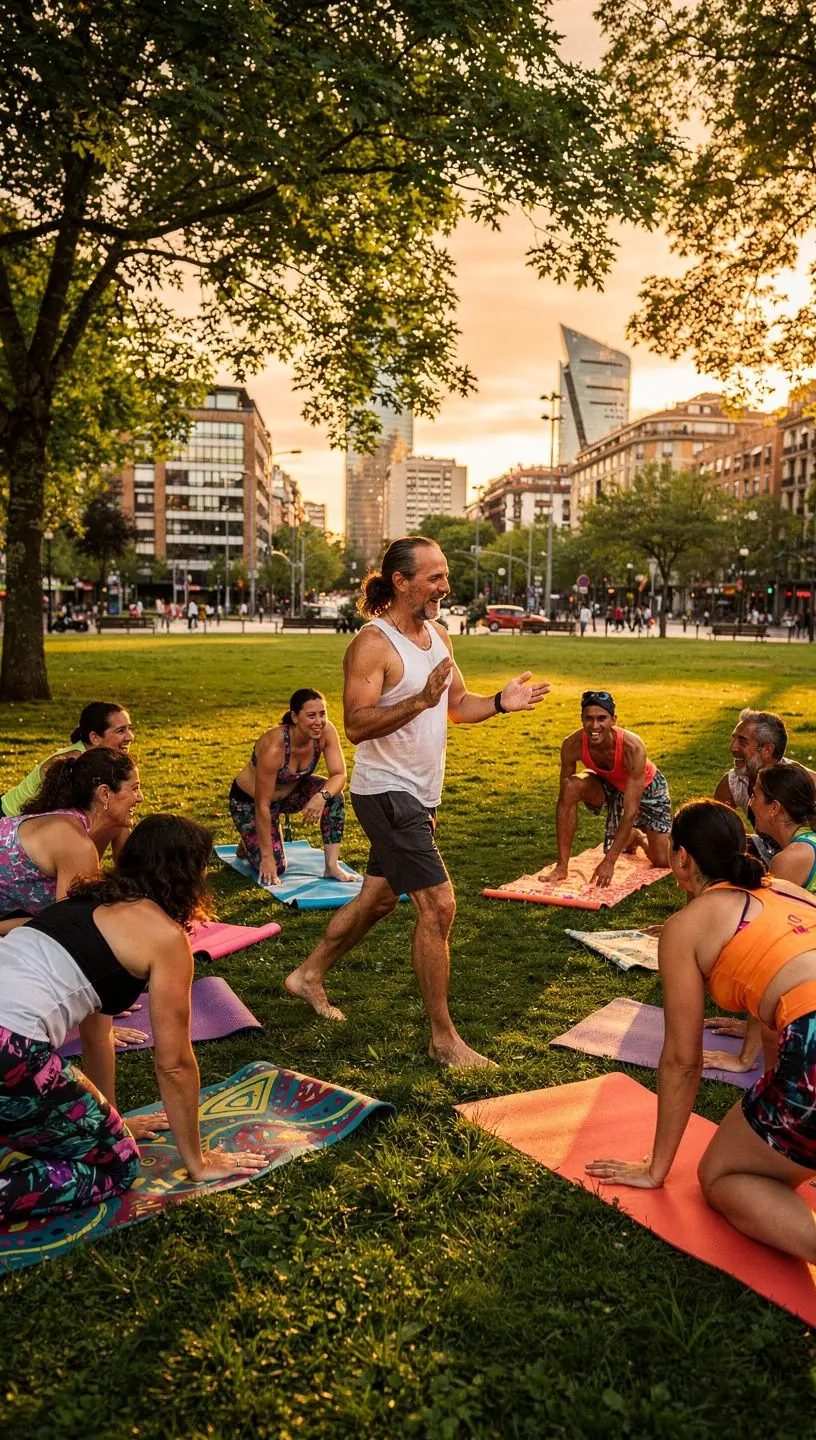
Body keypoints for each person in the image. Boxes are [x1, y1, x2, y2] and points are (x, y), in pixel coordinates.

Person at [284, 536, 550, 1067]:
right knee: (440, 906)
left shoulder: (439, 636)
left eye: (445, 575)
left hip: (421, 796)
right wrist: (419, 699)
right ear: (401, 582)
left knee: (378, 899)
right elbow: (356, 725)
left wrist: (500, 703)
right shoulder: (371, 644)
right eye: (434, 577)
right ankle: (443, 1040)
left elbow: (457, 706)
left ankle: (307, 975)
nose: (445, 587)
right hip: (385, 792)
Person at [0, 814, 267, 1223]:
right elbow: (174, 1064)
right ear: (188, 874)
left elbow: (96, 1034)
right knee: (118, 1163)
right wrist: (197, 1161)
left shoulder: (79, 904)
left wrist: (111, 1117)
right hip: (10, 1046)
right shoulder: (163, 937)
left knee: (68, 1133)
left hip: (10, 1045)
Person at [587, 799, 816, 1263]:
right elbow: (775, 1027)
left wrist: (656, 1169)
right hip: (803, 1034)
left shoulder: (686, 927)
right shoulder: (794, 893)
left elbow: (682, 1060)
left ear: (683, 857)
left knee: (720, 1176)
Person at [0, 749, 143, 929]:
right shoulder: (76, 844)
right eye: (135, 788)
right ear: (105, 794)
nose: (140, 797)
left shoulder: (67, 819)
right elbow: (65, 925)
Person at [545, 690, 671, 888]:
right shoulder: (572, 744)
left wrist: (609, 861)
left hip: (647, 788)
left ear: (613, 719)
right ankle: (562, 866)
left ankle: (637, 837)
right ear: (582, 719)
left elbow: (630, 811)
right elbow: (564, 799)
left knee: (663, 859)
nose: (595, 726)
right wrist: (562, 864)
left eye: (602, 718)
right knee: (569, 787)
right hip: (608, 784)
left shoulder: (633, 748)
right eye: (589, 718)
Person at [230, 689, 352, 885]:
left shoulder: (326, 732)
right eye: (311, 715)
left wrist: (321, 796)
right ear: (295, 717)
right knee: (276, 868)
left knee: (333, 796)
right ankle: (248, 843)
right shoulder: (273, 746)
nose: (319, 721)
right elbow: (262, 804)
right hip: (251, 803)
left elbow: (339, 774)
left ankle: (331, 866)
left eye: (322, 714)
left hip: (289, 794)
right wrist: (268, 858)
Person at [0, 700, 134, 818]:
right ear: (95, 738)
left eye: (130, 729)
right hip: (8, 819)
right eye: (121, 730)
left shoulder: (104, 761)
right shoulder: (72, 761)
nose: (130, 737)